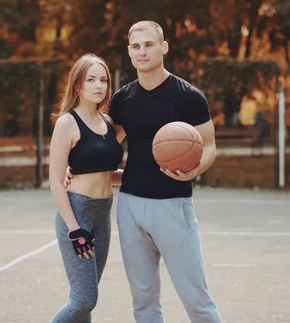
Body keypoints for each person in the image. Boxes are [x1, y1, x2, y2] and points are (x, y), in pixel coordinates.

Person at [109, 21, 221, 322]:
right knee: (143, 303)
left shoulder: (188, 96)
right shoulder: (122, 99)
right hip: (130, 206)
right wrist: (77, 168)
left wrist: (195, 170)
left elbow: (209, 146)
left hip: (173, 204)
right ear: (130, 52)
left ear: (163, 47)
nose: (142, 52)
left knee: (196, 300)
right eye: (136, 46)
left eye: (148, 44)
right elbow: (106, 146)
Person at [48, 54, 124, 323]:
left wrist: (143, 177)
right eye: (91, 80)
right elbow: (56, 181)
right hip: (77, 215)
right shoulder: (67, 123)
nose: (99, 85)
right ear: (77, 86)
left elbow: (106, 173)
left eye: (103, 80)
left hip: (103, 215)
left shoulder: (109, 123)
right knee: (83, 300)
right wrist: (74, 229)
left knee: (86, 298)